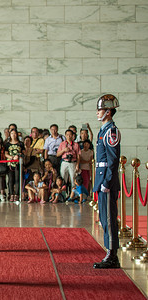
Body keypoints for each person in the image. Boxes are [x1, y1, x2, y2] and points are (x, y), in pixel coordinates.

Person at [93, 94, 121, 269]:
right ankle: (109, 252)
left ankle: (112, 255)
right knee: (104, 218)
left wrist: (107, 182)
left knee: (109, 219)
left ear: (108, 112)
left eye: (100, 109)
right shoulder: (103, 130)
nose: (97, 112)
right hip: (101, 179)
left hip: (107, 181)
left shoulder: (111, 131)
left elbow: (112, 160)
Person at [4, 129, 24, 202]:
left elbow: (23, 152)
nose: (13, 135)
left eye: (15, 133)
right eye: (12, 133)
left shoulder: (20, 144)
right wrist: (12, 157)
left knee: (17, 179)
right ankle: (11, 194)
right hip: (10, 163)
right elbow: (6, 154)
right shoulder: (7, 144)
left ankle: (16, 194)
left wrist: (19, 156)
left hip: (18, 163)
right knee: (10, 179)